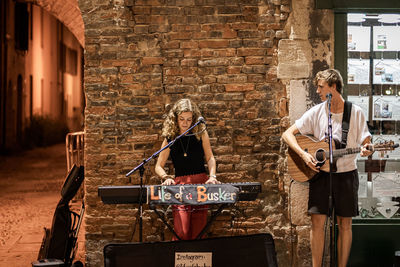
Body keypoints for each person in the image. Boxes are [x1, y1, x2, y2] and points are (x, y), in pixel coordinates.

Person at [282, 69, 373, 267]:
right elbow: (287, 134)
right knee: (317, 224)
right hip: (321, 176)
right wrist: (304, 154)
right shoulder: (317, 112)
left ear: (333, 87)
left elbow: (366, 140)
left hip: (347, 175)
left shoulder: (355, 112)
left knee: (345, 224)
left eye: (321, 87)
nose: (318, 91)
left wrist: (368, 149)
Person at [155, 98, 220, 240]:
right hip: (180, 187)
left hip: (200, 185)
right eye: (182, 119)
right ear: (175, 119)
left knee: (198, 232)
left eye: (189, 120)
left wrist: (212, 176)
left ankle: (196, 261)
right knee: (182, 232)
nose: (185, 123)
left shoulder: (200, 133)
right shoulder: (170, 138)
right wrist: (165, 177)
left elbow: (210, 158)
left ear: (194, 119)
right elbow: (158, 166)